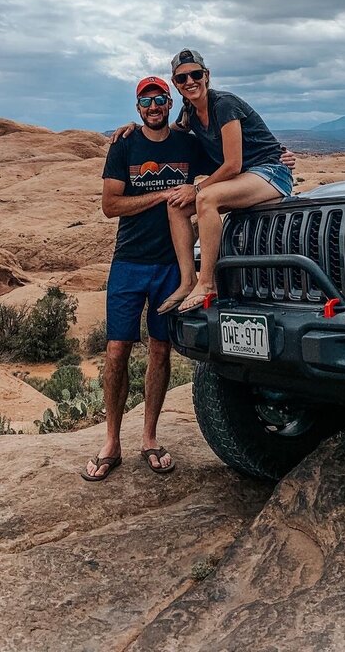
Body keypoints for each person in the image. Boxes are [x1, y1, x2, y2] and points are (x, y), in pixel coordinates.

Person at [82, 75, 204, 481]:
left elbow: (226, 163)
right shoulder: (125, 145)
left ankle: (149, 438)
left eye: (160, 100)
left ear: (169, 104)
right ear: (137, 108)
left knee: (160, 350)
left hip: (172, 263)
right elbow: (110, 205)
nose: (153, 107)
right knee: (116, 350)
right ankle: (111, 441)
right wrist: (164, 194)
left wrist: (280, 159)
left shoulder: (187, 144)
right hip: (130, 262)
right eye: (146, 101)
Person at [110, 49, 294, 314]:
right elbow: (166, 131)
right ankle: (188, 281)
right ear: (176, 84)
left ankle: (208, 283)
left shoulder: (224, 105)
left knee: (206, 197)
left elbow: (232, 164)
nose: (190, 82)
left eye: (195, 74)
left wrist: (196, 188)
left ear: (206, 76)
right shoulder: (191, 112)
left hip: (271, 172)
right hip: (248, 178)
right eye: (182, 78)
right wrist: (136, 129)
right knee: (176, 204)